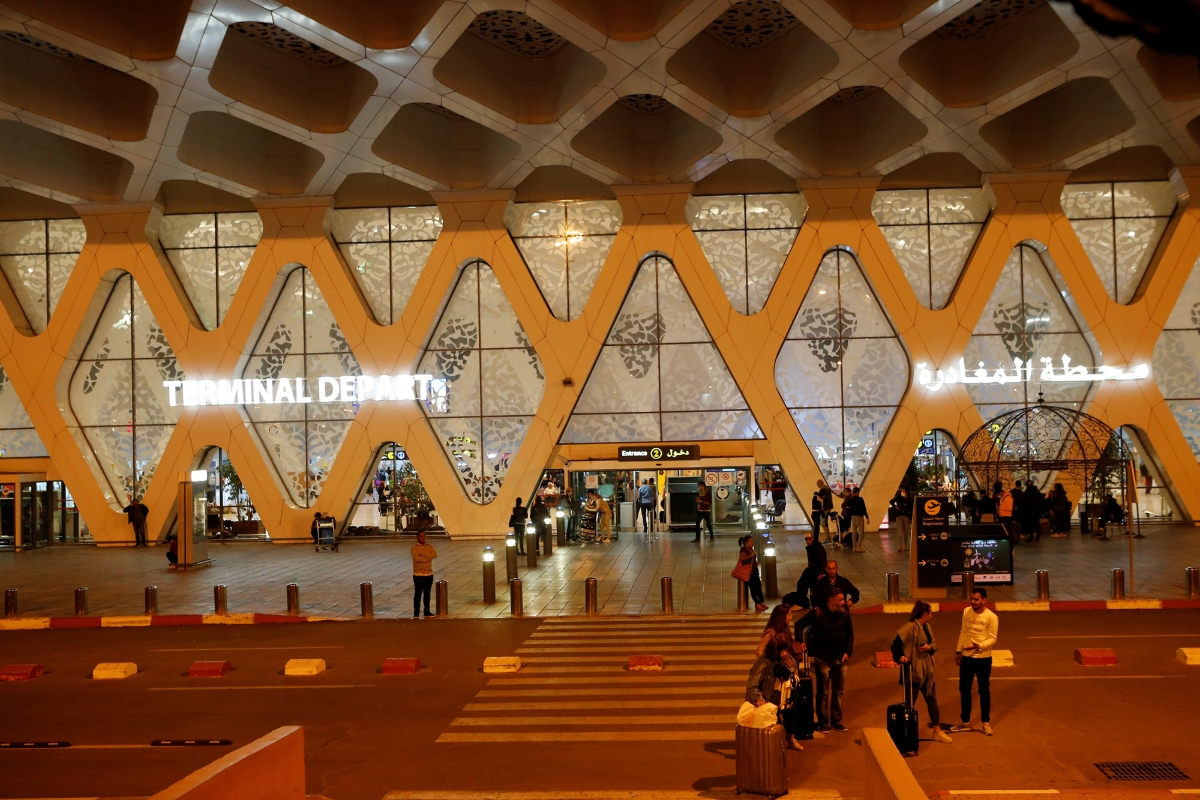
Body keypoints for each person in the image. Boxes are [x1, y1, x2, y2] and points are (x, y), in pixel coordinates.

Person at [891, 601, 953, 743]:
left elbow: (934, 644)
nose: (931, 616)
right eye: (930, 613)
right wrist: (900, 657)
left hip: (927, 671)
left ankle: (937, 731)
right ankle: (904, 734)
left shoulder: (927, 627)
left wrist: (929, 648)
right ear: (925, 614)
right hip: (913, 671)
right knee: (909, 705)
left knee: (932, 700)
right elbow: (896, 645)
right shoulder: (909, 627)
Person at [795, 588, 853, 732]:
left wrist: (848, 651)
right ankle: (823, 722)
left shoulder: (844, 612)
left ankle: (836, 720)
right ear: (832, 601)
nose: (843, 602)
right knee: (823, 693)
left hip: (840, 658)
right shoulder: (818, 613)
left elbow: (850, 632)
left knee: (838, 691)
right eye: (840, 600)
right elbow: (799, 624)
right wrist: (801, 641)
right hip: (823, 659)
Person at [746, 605, 804, 750]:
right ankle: (775, 741)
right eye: (789, 615)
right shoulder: (771, 634)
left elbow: (790, 660)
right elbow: (759, 651)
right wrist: (770, 667)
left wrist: (792, 668)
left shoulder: (786, 631)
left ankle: (790, 737)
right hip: (774, 681)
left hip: (787, 679)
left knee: (790, 710)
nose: (791, 618)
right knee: (775, 712)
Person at [951, 587, 998, 735]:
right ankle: (965, 721)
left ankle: (986, 722)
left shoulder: (991, 617)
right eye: (972, 598)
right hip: (967, 657)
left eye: (976, 599)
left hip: (983, 659)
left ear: (984, 600)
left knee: (984, 690)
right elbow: (963, 632)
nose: (973, 602)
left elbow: (993, 638)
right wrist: (959, 651)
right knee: (964, 689)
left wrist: (980, 646)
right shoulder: (966, 612)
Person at [795, 531, 828, 608]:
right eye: (807, 540)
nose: (808, 541)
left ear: (812, 539)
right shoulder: (811, 548)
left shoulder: (818, 548)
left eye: (809, 539)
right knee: (802, 583)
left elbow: (824, 561)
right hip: (812, 570)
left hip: (817, 571)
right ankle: (802, 602)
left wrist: (821, 573)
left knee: (805, 584)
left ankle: (803, 603)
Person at [410, 530, 437, 619]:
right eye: (421, 536)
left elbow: (434, 554)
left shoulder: (429, 546)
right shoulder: (414, 548)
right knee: (418, 593)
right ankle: (416, 612)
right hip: (418, 574)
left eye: (424, 536)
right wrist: (427, 558)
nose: (423, 537)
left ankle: (427, 611)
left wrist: (423, 556)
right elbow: (417, 559)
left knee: (427, 594)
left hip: (429, 573)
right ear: (417, 537)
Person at [738, 536, 768, 613]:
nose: (752, 543)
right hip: (749, 572)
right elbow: (742, 558)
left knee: (758, 586)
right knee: (753, 587)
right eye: (750, 541)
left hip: (754, 570)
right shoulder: (743, 549)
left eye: (753, 541)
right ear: (746, 542)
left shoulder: (750, 549)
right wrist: (750, 555)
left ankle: (761, 601)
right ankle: (757, 602)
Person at [847, 487, 869, 552]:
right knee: (861, 532)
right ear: (857, 492)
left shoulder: (850, 500)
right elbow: (864, 509)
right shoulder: (860, 499)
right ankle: (859, 547)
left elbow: (847, 508)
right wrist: (867, 517)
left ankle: (854, 547)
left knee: (854, 533)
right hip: (859, 517)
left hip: (853, 517)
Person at [891, 488, 913, 553]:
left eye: (903, 491)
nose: (902, 492)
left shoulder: (909, 500)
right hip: (899, 516)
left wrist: (911, 518)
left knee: (906, 532)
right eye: (901, 491)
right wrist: (895, 507)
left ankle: (905, 546)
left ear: (906, 492)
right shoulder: (899, 498)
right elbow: (891, 501)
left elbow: (911, 509)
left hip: (907, 516)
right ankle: (899, 546)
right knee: (900, 532)